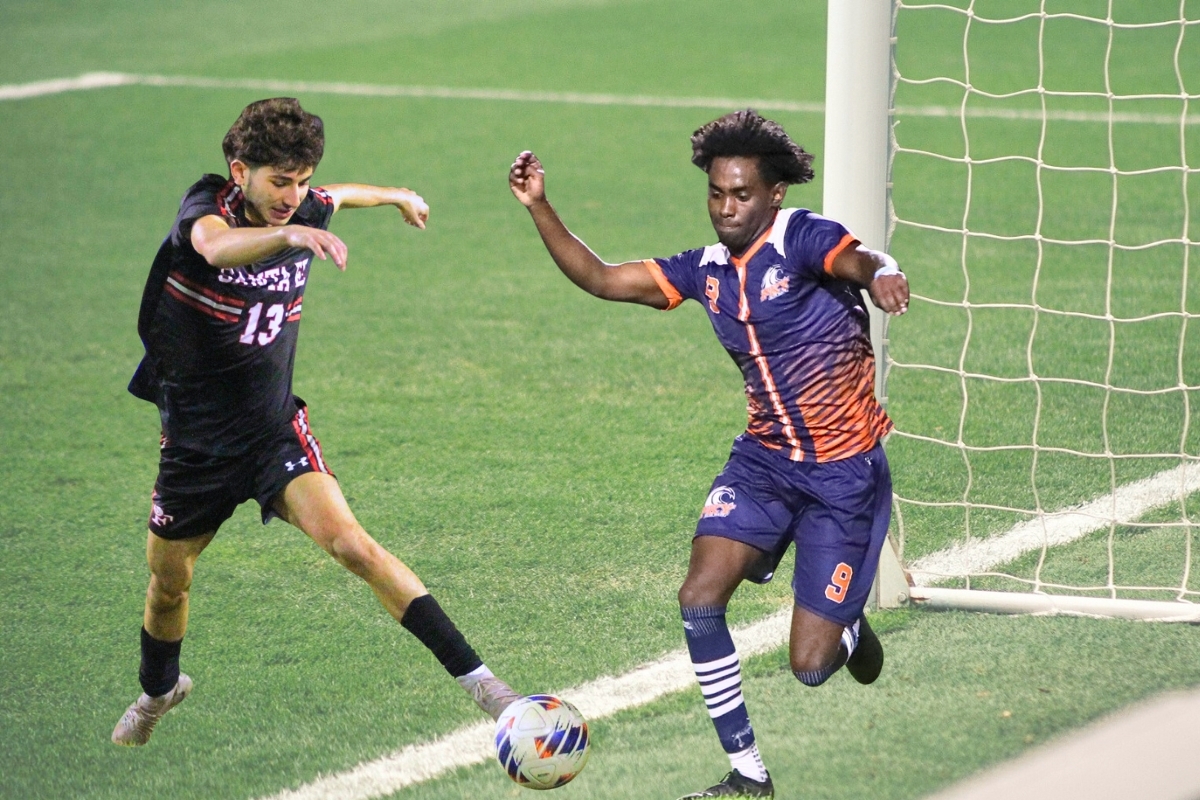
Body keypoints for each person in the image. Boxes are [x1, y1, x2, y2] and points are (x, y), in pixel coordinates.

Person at [508, 109, 909, 799]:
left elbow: (857, 259)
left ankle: (843, 627)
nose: (726, 208)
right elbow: (604, 278)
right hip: (763, 464)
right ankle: (748, 777)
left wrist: (881, 275)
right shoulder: (706, 271)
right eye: (717, 194)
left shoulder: (803, 237)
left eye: (741, 194)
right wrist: (541, 207)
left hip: (843, 476)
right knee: (698, 600)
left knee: (809, 667)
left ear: (773, 192)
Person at [113, 97, 520, 747]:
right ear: (240, 170)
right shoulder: (207, 211)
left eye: (300, 182)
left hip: (271, 430)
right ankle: (159, 691)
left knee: (353, 544)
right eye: (280, 182)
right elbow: (215, 249)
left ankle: (490, 690)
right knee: (169, 582)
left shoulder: (303, 201)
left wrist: (397, 196)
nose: (293, 196)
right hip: (194, 445)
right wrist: (293, 234)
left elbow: (340, 194)